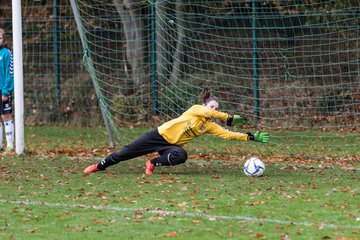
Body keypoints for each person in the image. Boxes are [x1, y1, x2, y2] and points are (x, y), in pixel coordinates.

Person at [84, 88, 269, 175]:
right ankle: (99, 166)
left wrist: (250, 137)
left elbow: (227, 134)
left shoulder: (209, 125)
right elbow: (207, 112)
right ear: (205, 105)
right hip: (157, 136)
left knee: (181, 155)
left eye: (216, 108)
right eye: (212, 107)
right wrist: (228, 117)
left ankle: (152, 163)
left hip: (171, 146)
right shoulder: (196, 109)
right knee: (124, 153)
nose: (213, 111)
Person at [0, 28, 14, 152]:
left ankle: (10, 146)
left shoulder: (7, 53)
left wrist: (6, 91)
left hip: (3, 90)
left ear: (3, 39)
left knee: (6, 116)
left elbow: (10, 74)